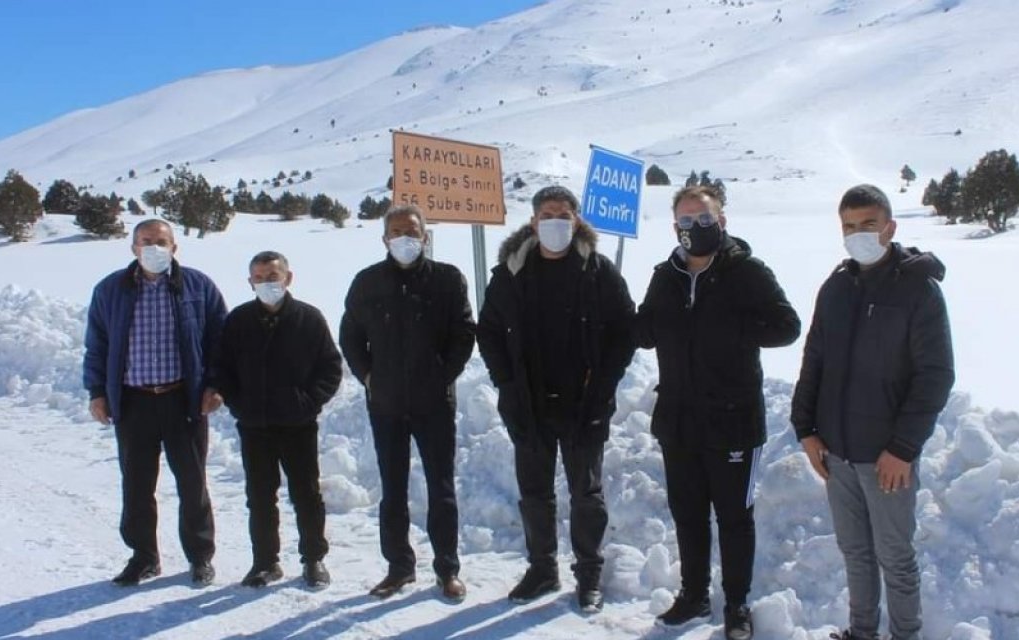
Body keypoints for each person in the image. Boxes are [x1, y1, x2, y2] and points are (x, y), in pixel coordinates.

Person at [635, 185, 801, 640]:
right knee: (687, 513)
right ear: (676, 228)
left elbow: (787, 326)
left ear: (722, 222)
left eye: (704, 220)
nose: (695, 229)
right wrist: (636, 325)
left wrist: (733, 325)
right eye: (686, 222)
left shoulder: (746, 271)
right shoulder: (664, 275)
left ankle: (737, 604)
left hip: (733, 420)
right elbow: (646, 328)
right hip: (678, 419)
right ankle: (692, 595)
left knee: (733, 517)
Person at [791, 184, 954, 640]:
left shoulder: (917, 289)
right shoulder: (837, 287)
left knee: (895, 557)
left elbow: (936, 375)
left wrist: (903, 448)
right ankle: (861, 631)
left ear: (890, 227)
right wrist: (805, 428)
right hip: (837, 453)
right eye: (849, 226)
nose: (858, 234)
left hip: (887, 458)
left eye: (868, 225)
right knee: (855, 552)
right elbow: (814, 360)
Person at [477, 185, 636, 612]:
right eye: (547, 215)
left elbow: (625, 330)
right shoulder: (510, 273)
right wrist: (506, 383)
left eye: (563, 216)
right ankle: (542, 569)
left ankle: (589, 576)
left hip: (584, 403)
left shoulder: (598, 271)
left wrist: (604, 384)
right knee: (534, 492)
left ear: (577, 221)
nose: (555, 223)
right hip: (528, 404)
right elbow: (488, 331)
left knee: (587, 494)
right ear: (532, 222)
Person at [339, 205, 475, 602]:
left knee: (441, 487)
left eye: (412, 231)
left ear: (425, 236)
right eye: (396, 232)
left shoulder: (447, 279)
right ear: (384, 239)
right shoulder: (367, 283)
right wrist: (368, 377)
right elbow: (350, 336)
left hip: (434, 403)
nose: (405, 238)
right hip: (386, 404)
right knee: (393, 487)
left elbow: (464, 332)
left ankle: (447, 569)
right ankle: (399, 567)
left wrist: (442, 375)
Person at [83, 219, 226, 587]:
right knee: (137, 484)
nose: (154, 248)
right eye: (146, 241)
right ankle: (143, 556)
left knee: (192, 483)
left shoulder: (198, 286)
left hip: (184, 400)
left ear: (175, 247)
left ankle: (199, 557)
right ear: (133, 247)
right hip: (133, 402)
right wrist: (97, 392)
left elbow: (219, 341)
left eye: (161, 242)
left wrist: (215, 385)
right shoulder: (111, 290)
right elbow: (97, 345)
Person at [215, 251, 342, 589]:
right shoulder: (239, 321)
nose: (266, 283)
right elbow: (222, 367)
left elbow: (330, 367)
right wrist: (237, 402)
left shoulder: (309, 319)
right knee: (259, 495)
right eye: (259, 277)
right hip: (254, 425)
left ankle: (314, 558)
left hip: (298, 425)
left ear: (288, 278)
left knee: (306, 494)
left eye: (273, 276)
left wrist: (308, 402)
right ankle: (265, 562)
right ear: (250, 282)